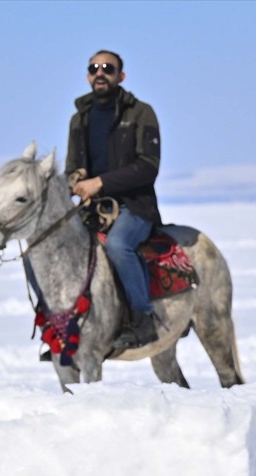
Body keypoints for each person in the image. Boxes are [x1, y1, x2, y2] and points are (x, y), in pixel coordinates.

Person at [66, 49, 164, 350]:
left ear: (120, 76)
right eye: (94, 67)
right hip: (92, 209)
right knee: (52, 246)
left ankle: (143, 319)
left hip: (135, 206)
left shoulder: (140, 112)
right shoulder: (79, 118)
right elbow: (72, 167)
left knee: (119, 247)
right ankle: (60, 326)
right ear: (87, 76)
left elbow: (148, 166)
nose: (100, 72)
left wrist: (100, 182)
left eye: (107, 68)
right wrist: (76, 178)